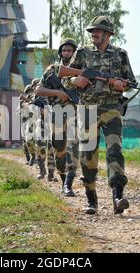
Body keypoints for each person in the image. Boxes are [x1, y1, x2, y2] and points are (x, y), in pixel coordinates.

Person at [66, 16, 136, 215]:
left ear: (108, 34)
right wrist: (74, 81)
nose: (93, 34)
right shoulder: (82, 53)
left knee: (115, 151)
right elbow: (65, 79)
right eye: (92, 31)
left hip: (112, 109)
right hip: (87, 109)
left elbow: (131, 82)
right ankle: (91, 199)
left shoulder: (120, 55)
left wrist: (122, 84)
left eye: (97, 31)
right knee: (88, 155)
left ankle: (117, 195)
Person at [35, 38, 80, 196]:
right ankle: (63, 180)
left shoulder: (80, 70)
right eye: (64, 50)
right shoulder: (52, 69)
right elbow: (38, 91)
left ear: (75, 53)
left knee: (74, 148)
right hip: (57, 114)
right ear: (60, 52)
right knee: (58, 150)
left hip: (77, 114)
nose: (66, 53)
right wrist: (57, 93)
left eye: (70, 50)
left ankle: (69, 183)